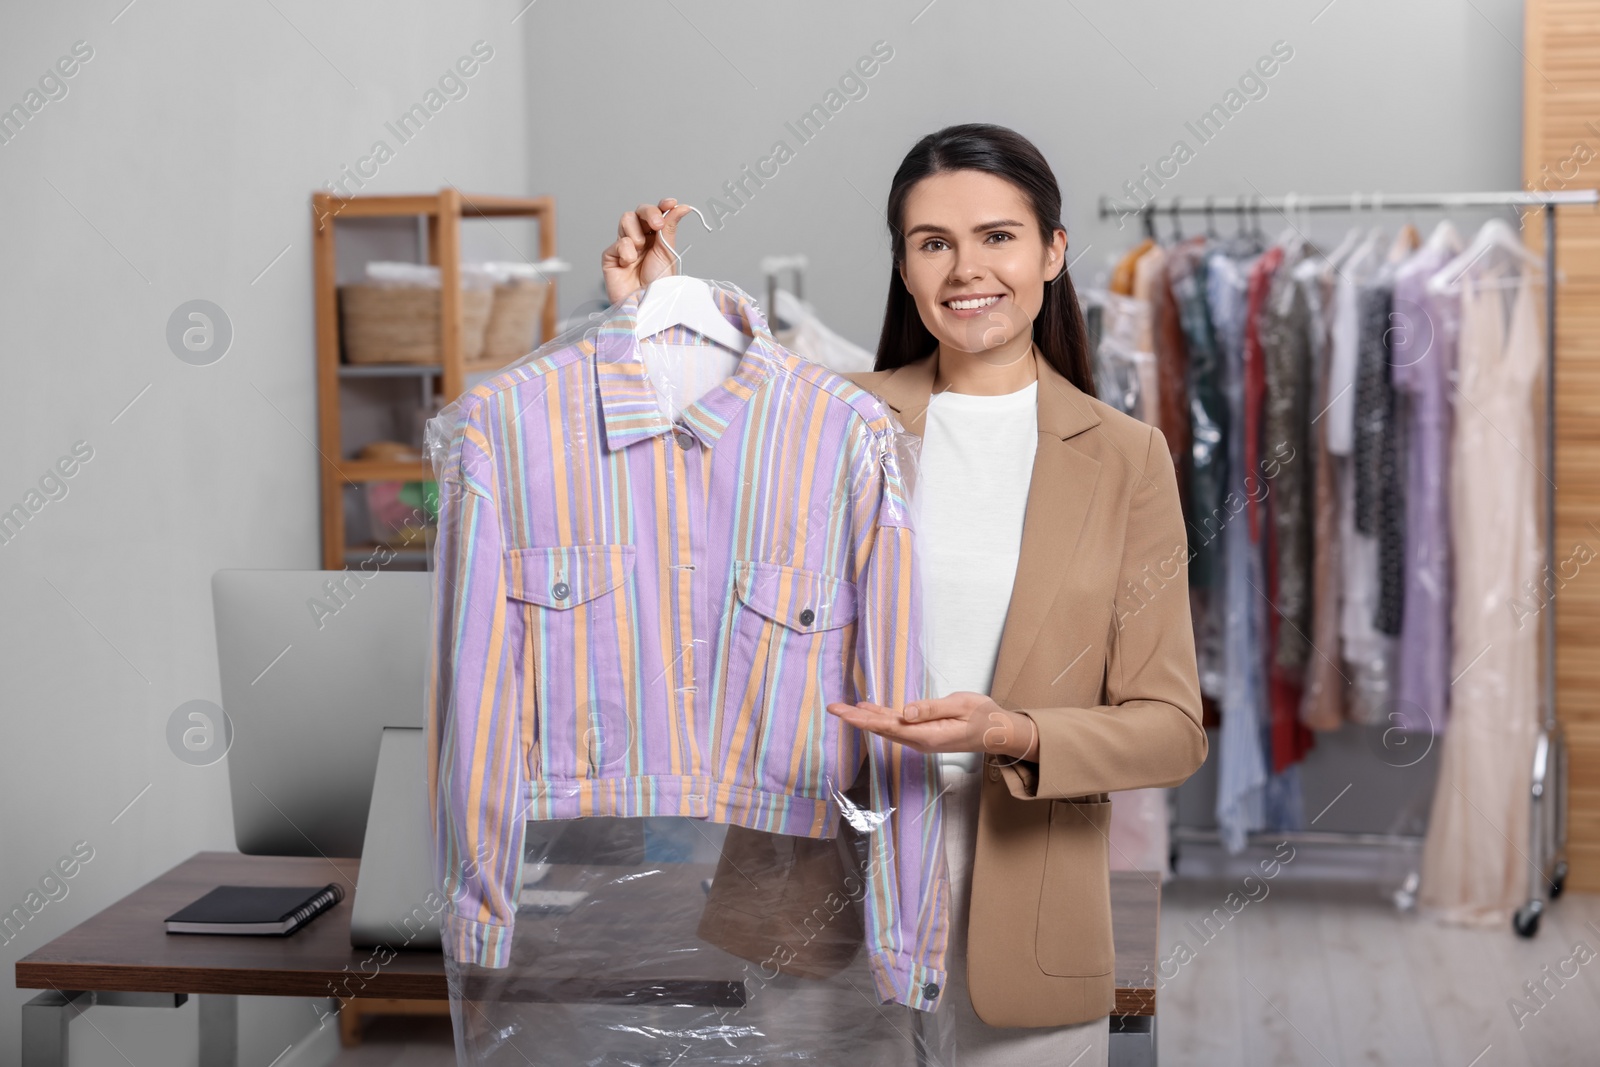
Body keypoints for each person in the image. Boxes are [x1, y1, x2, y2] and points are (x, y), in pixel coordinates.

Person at [601, 123, 1206, 1066]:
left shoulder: (1127, 458)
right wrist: (653, 316)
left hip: (1021, 887)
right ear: (907, 268)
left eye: (998, 236)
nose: (968, 269)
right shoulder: (828, 419)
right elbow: (673, 488)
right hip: (822, 884)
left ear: (1052, 250)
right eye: (934, 243)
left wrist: (1011, 731)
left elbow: (1170, 726)